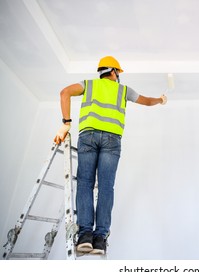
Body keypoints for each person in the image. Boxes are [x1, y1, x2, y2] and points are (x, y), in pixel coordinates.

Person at [53, 56, 167, 254]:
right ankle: (100, 239)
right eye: (118, 73)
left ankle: (84, 236)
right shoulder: (124, 90)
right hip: (112, 140)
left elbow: (64, 93)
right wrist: (161, 99)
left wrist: (66, 123)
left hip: (87, 137)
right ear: (113, 72)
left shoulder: (87, 85)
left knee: (85, 184)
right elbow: (147, 102)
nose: (118, 77)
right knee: (106, 186)